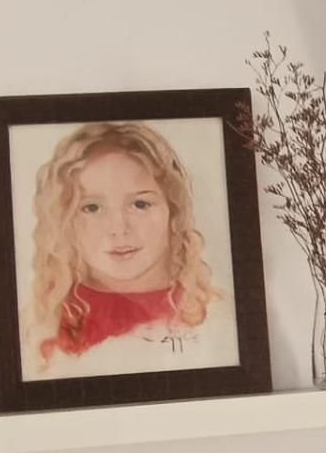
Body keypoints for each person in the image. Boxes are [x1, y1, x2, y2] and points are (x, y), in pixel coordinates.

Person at [24, 121, 223, 374]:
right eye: (91, 208)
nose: (118, 228)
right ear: (64, 220)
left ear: (173, 212)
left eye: (140, 204)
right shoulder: (35, 331)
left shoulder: (219, 319)